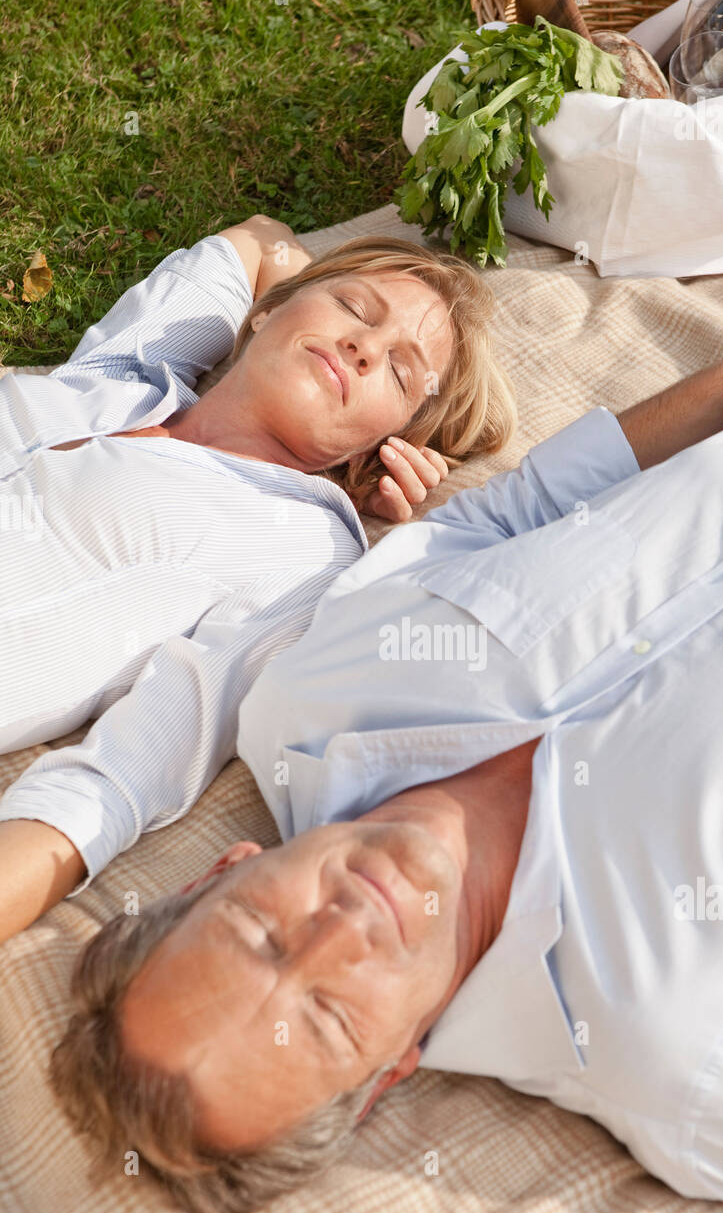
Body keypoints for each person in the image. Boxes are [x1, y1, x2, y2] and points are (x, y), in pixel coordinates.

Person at [42, 341, 723, 1213]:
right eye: (329, 1018)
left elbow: (514, 515)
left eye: (259, 932)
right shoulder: (699, 1068)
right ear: (384, 1074)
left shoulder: (309, 691)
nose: (338, 932)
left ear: (220, 873)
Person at [0, 216, 516, 925]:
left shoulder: (306, 548)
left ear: (388, 439)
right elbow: (259, 239)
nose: (365, 347)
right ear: (267, 311)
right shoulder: (129, 373)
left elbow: (126, 774)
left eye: (399, 372)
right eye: (353, 309)